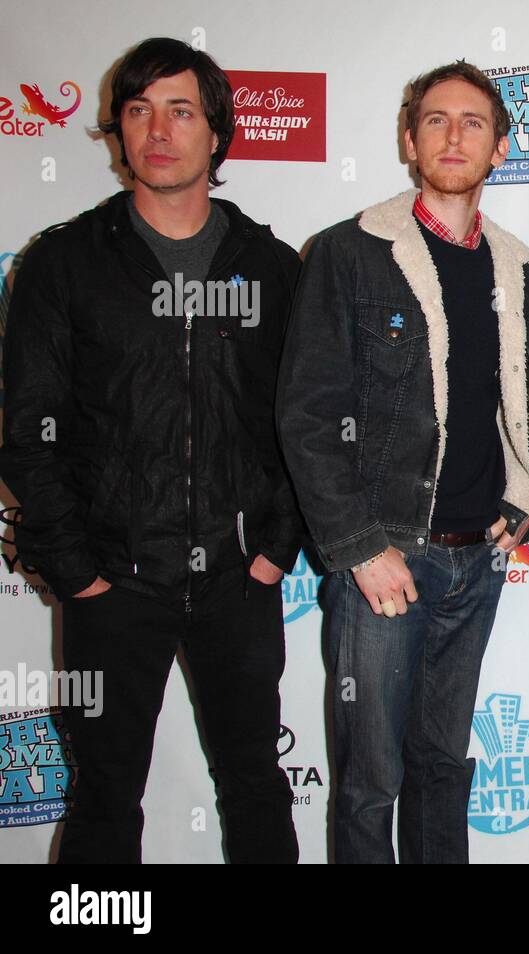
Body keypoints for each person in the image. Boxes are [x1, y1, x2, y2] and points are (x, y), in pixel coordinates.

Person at [0, 37, 302, 863]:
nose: (156, 131)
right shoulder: (62, 263)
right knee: (103, 796)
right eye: (137, 111)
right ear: (117, 130)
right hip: (113, 581)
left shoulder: (272, 269)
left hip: (240, 580)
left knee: (256, 787)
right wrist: (77, 571)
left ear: (216, 134)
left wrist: (275, 548)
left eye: (179, 111)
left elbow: (299, 423)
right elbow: (28, 429)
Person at [276, 61, 529, 864]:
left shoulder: (513, 267)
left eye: (472, 122)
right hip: (385, 559)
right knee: (369, 781)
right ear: (408, 138)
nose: (453, 135)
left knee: (442, 768)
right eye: (435, 120)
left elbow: (527, 402)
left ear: (500, 148)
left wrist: (523, 497)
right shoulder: (350, 253)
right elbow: (306, 413)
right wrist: (359, 547)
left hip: (476, 560)